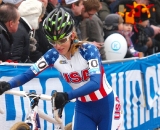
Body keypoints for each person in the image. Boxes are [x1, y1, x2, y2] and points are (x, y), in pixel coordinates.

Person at [0, 8, 122, 130]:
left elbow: (95, 83)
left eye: (62, 40)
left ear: (72, 35)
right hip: (84, 108)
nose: (57, 46)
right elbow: (29, 74)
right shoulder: (52, 55)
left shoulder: (88, 50)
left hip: (106, 105)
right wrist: (8, 84)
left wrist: (67, 96)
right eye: (52, 41)